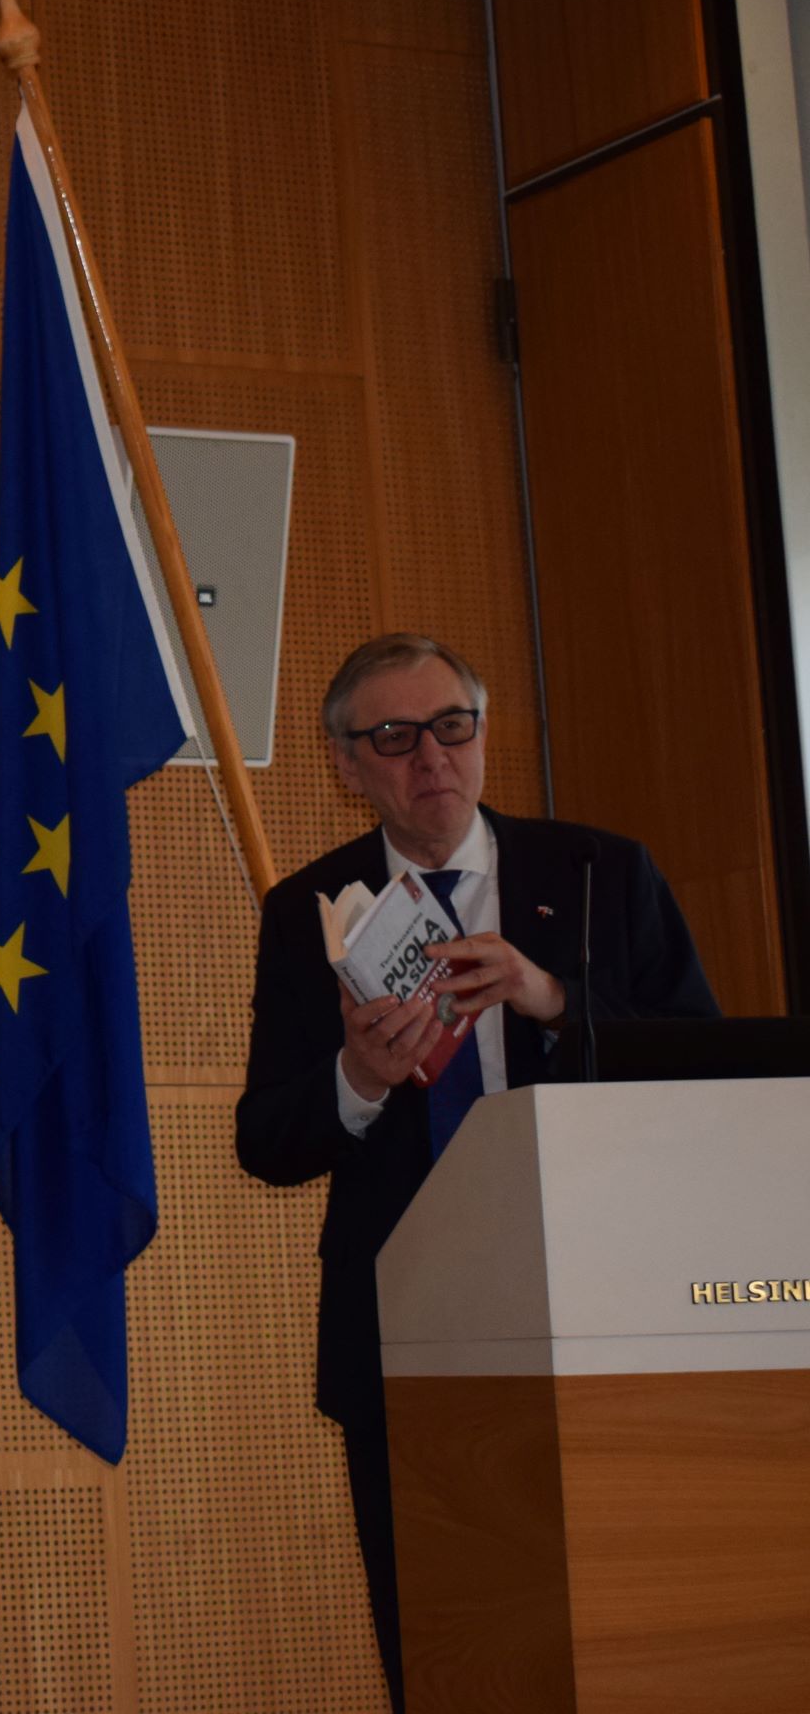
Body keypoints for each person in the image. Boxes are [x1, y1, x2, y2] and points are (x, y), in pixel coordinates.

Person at [236, 633, 716, 1708]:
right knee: (443, 1649)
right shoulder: (308, 911)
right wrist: (357, 1079)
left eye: (453, 726)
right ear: (346, 763)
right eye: (395, 736)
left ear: (483, 734)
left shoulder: (599, 873)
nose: (432, 756)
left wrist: (552, 1001)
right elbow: (264, 1138)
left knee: (627, 1632)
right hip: (407, 1332)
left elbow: (702, 1062)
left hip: (606, 1313)